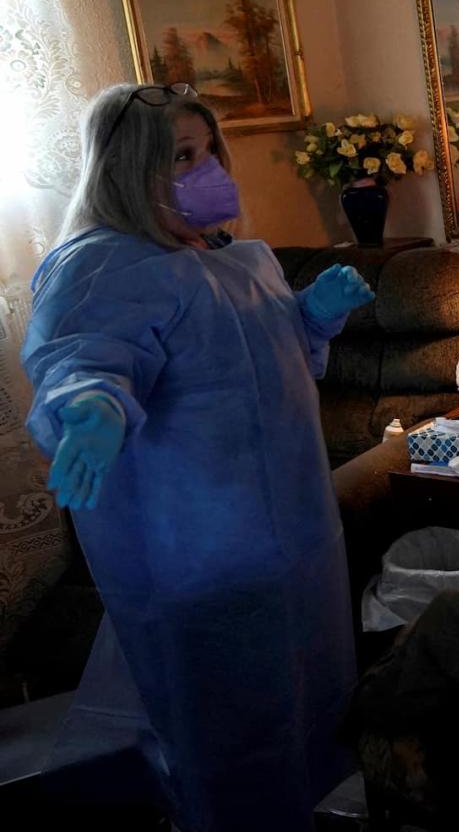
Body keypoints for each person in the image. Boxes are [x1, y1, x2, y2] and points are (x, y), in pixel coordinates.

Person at [22, 82, 376, 831]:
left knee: (306, 707)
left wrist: (312, 314)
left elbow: (276, 364)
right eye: (182, 156)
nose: (205, 168)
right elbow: (85, 356)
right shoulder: (102, 267)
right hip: (202, 553)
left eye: (209, 149)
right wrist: (90, 407)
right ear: (128, 169)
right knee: (227, 732)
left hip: (297, 538)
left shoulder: (238, 258)